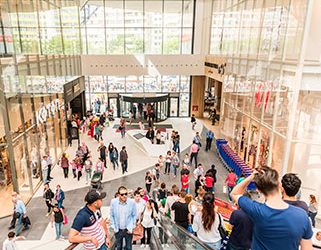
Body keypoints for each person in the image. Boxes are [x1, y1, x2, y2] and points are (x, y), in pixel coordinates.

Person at [230, 166, 313, 250]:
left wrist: (252, 176)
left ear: (259, 190)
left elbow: (235, 193)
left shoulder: (257, 211)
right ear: (280, 185)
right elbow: (307, 248)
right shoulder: (302, 215)